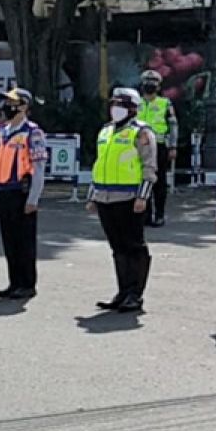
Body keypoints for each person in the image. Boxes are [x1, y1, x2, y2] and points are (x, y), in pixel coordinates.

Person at [86, 88, 158, 313]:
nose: (115, 109)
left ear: (133, 109)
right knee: (117, 247)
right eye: (114, 104)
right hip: (106, 197)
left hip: (129, 197)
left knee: (134, 246)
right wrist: (92, 196)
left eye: (121, 105)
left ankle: (135, 295)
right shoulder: (106, 131)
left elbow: (149, 166)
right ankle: (123, 291)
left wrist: (142, 196)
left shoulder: (141, 132)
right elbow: (100, 165)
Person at [0, 88, 46, 300]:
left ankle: (27, 284)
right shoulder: (3, 131)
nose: (7, 107)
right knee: (9, 240)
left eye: (12, 102)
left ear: (23, 106)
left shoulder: (33, 132)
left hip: (22, 192)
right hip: (5, 190)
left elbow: (39, 167)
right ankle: (14, 282)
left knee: (24, 241)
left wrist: (33, 198)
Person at [136, 69, 178, 227]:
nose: (150, 85)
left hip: (159, 147)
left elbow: (173, 125)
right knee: (141, 180)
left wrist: (173, 146)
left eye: (153, 83)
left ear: (159, 86)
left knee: (159, 182)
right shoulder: (136, 103)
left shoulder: (165, 103)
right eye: (147, 82)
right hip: (139, 147)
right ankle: (145, 215)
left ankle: (159, 214)